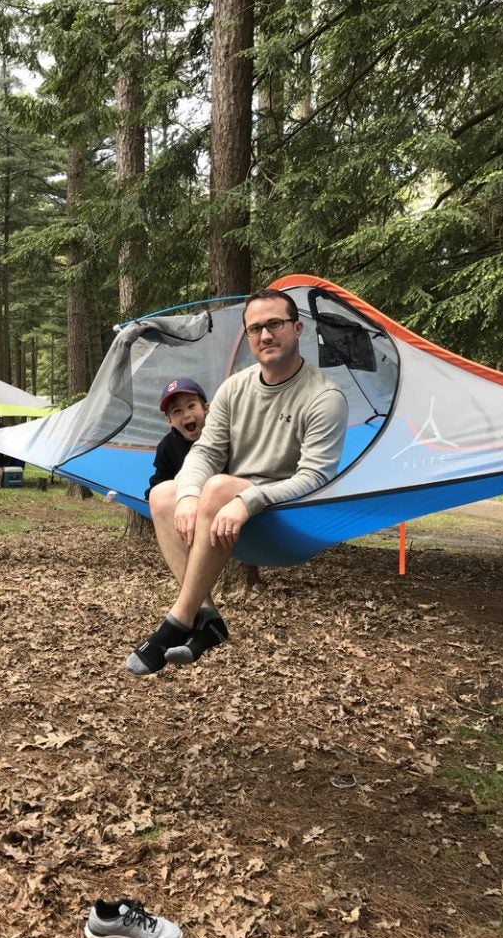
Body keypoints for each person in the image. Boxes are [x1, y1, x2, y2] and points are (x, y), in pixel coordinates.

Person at [126, 287, 349, 676]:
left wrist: (248, 500)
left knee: (217, 486)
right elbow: (206, 452)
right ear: (248, 337)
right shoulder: (234, 387)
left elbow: (316, 477)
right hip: (223, 516)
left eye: (275, 324)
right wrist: (187, 496)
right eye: (256, 328)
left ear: (297, 328)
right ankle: (207, 618)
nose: (265, 336)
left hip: (283, 517)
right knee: (164, 493)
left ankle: (177, 619)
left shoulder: (324, 397)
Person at [144, 377, 209, 500]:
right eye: (177, 411)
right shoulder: (167, 446)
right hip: (186, 498)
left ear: (206, 408)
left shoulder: (218, 434)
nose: (186, 414)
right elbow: (162, 479)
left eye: (191, 406)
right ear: (169, 420)